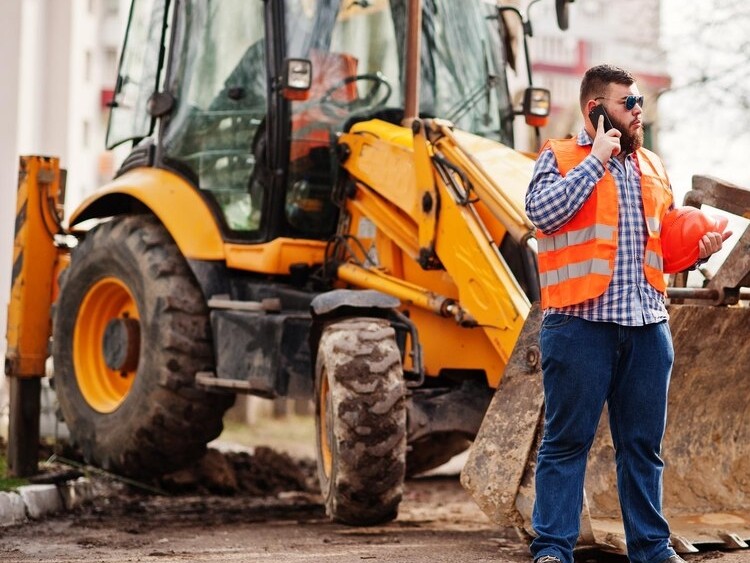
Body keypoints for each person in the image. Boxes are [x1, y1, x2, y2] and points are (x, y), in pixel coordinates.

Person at [524, 64, 730, 563]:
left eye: (639, 102)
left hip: (645, 326)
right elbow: (542, 215)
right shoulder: (561, 156)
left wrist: (697, 251)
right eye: (628, 104)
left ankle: (651, 549)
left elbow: (657, 249)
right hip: (579, 326)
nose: (639, 112)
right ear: (596, 110)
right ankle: (553, 549)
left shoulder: (654, 166)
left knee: (642, 448)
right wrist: (596, 160)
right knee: (566, 442)